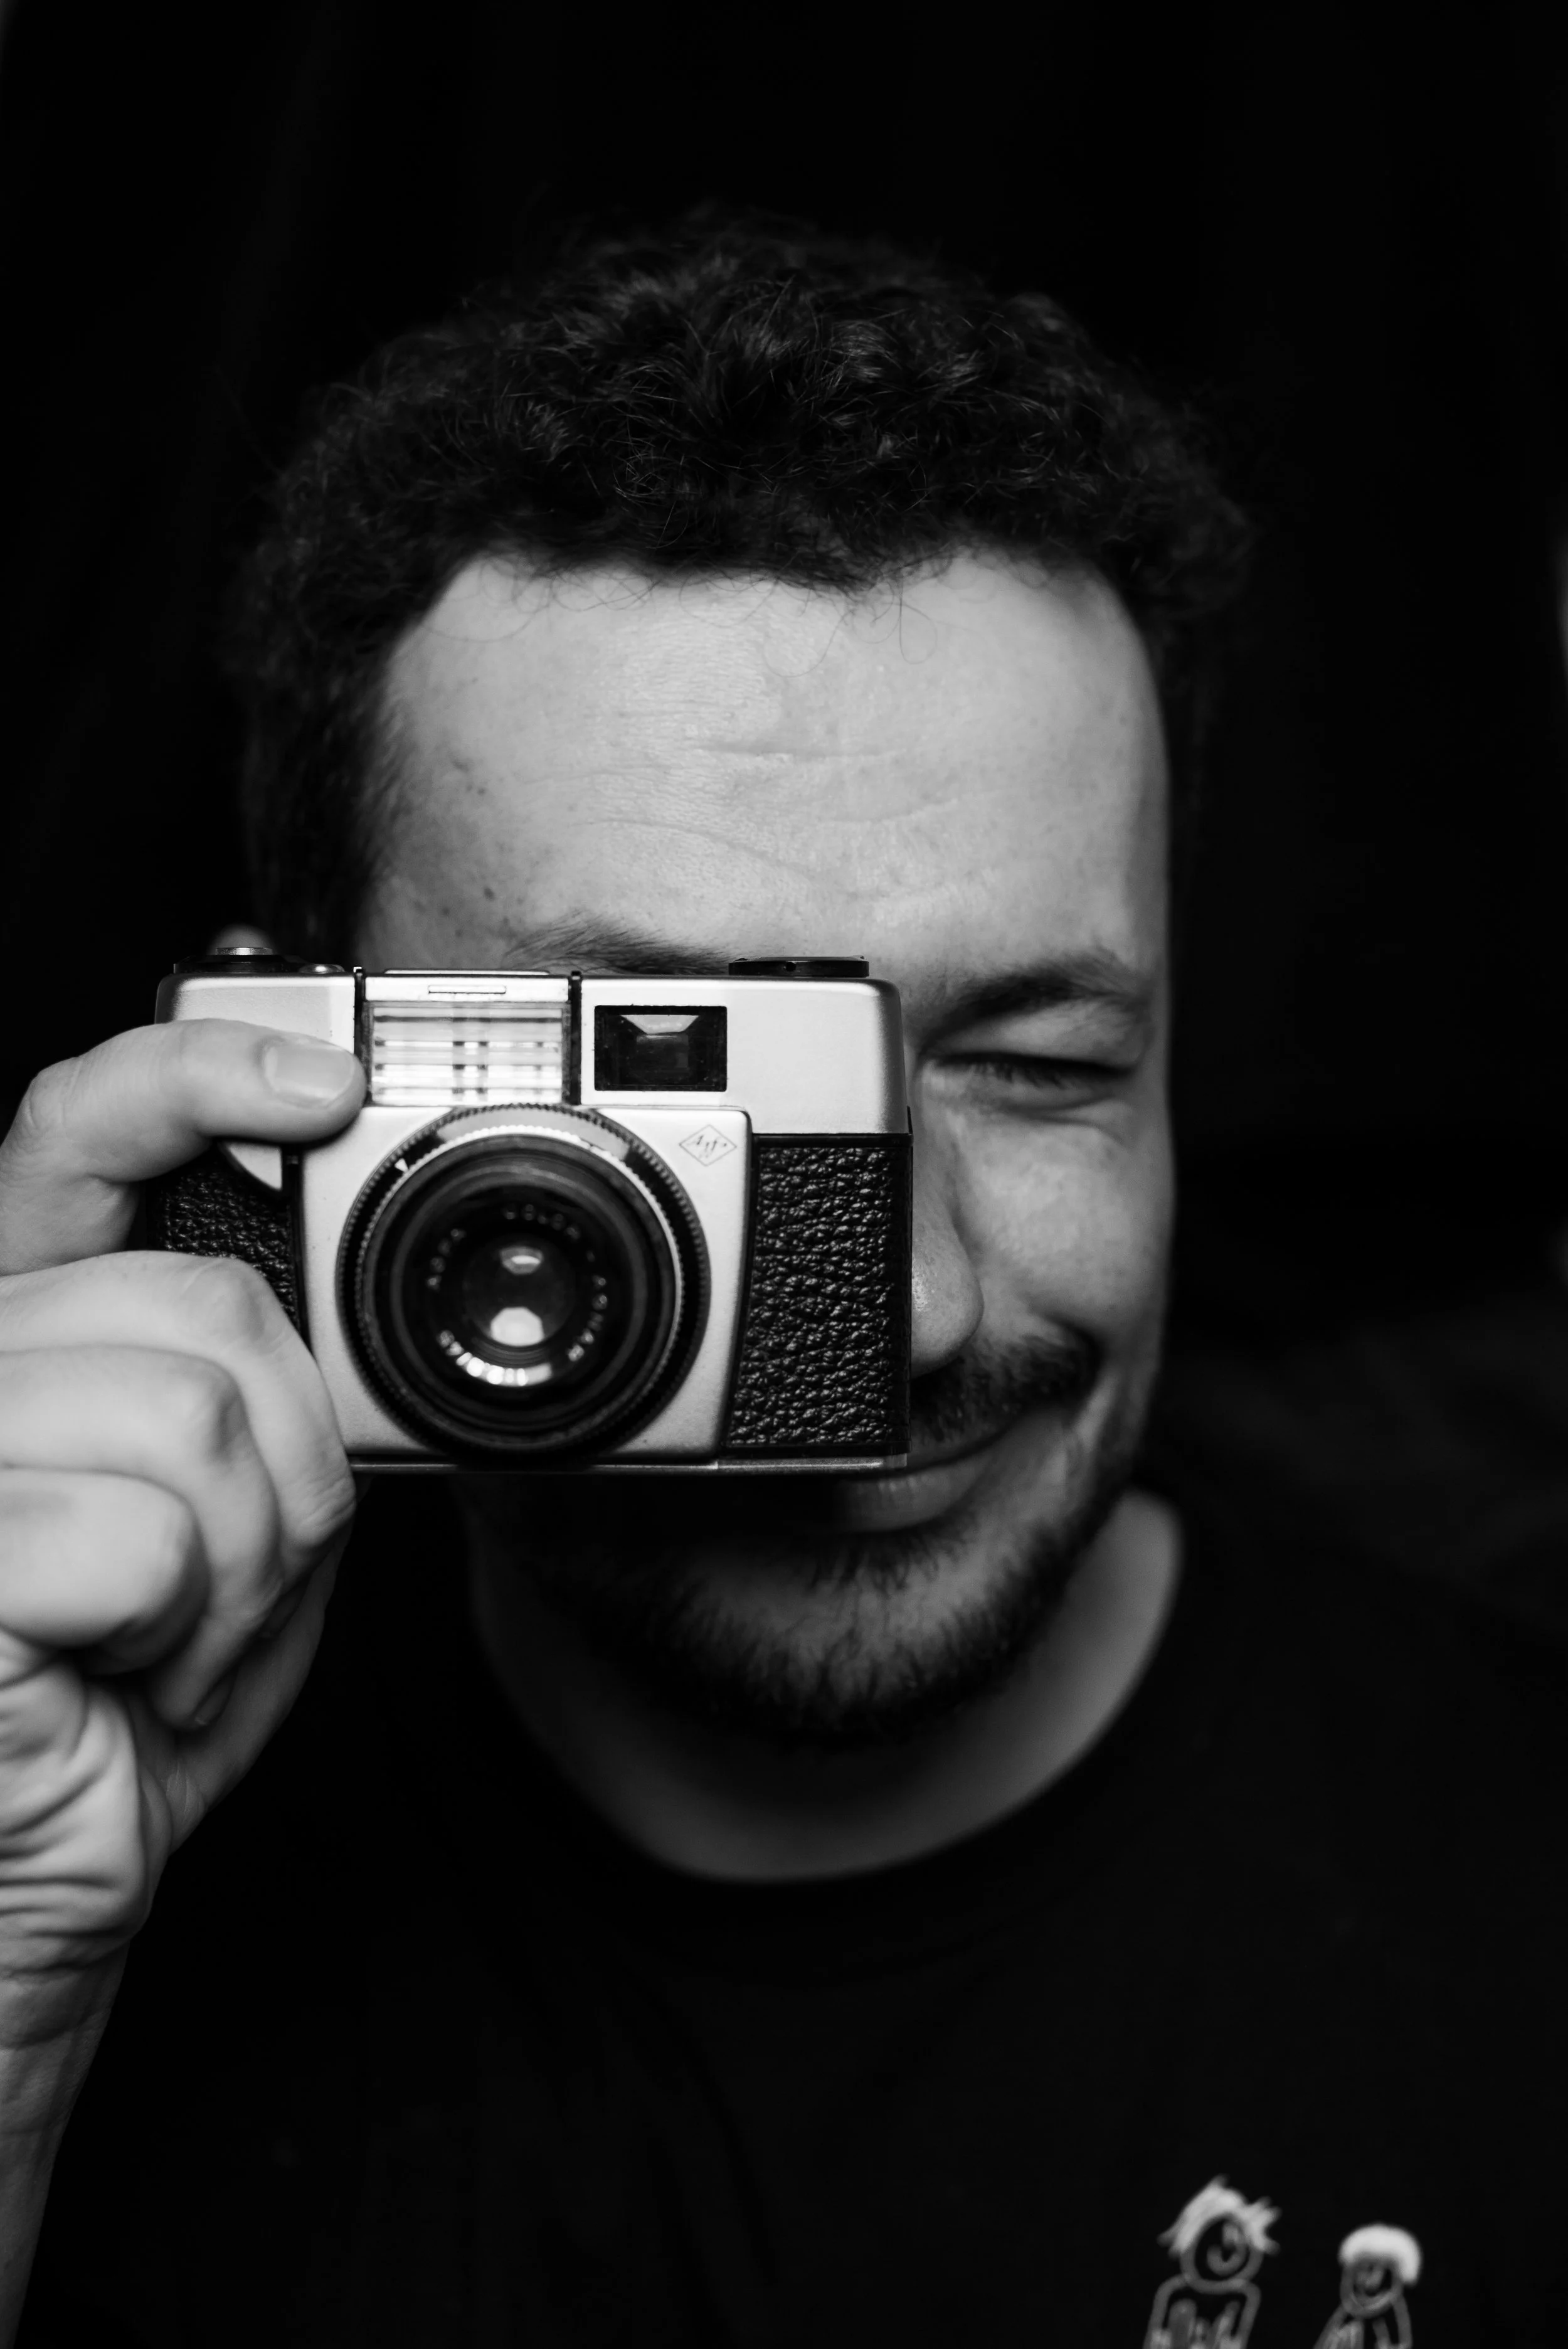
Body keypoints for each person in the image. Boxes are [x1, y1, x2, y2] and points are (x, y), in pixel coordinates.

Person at [3, 216, 1565, 2347]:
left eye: (1037, 1066)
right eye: (674, 1087)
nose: (907, 1315)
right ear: (279, 1072)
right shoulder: (70, 1860)